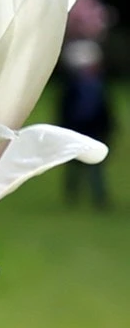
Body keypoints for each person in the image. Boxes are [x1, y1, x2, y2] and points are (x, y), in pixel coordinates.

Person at [59, 40, 114, 208]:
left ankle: (99, 198)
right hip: (77, 129)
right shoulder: (73, 86)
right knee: (75, 166)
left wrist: (109, 129)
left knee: (95, 167)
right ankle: (72, 195)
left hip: (94, 130)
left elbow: (105, 110)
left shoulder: (98, 85)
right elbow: (65, 109)